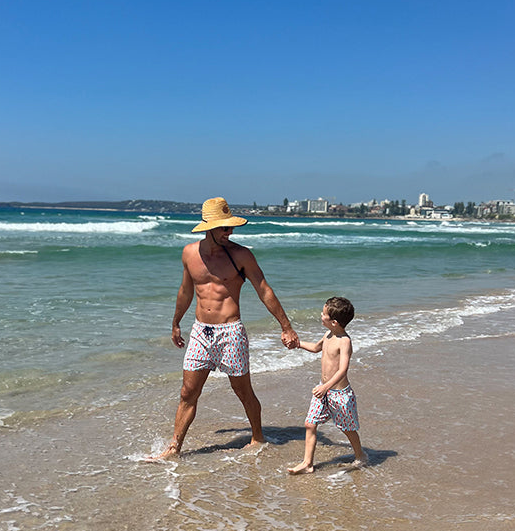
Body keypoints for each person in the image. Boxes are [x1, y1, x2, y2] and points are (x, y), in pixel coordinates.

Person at [149, 197, 299, 459]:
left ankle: (257, 437)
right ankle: (174, 448)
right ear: (209, 227)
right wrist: (175, 323)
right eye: (224, 228)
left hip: (231, 333)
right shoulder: (189, 254)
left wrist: (286, 327)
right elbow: (185, 291)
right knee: (188, 392)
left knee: (242, 391)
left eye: (231, 228)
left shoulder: (241, 255)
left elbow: (264, 289)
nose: (229, 233)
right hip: (200, 332)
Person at [287, 296, 367, 473]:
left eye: (324, 314)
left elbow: (342, 370)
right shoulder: (328, 334)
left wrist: (326, 386)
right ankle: (307, 464)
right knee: (310, 423)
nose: (321, 316)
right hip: (323, 392)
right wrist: (298, 344)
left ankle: (361, 455)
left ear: (334, 322)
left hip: (339, 394)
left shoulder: (344, 341)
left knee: (347, 429)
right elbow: (316, 348)